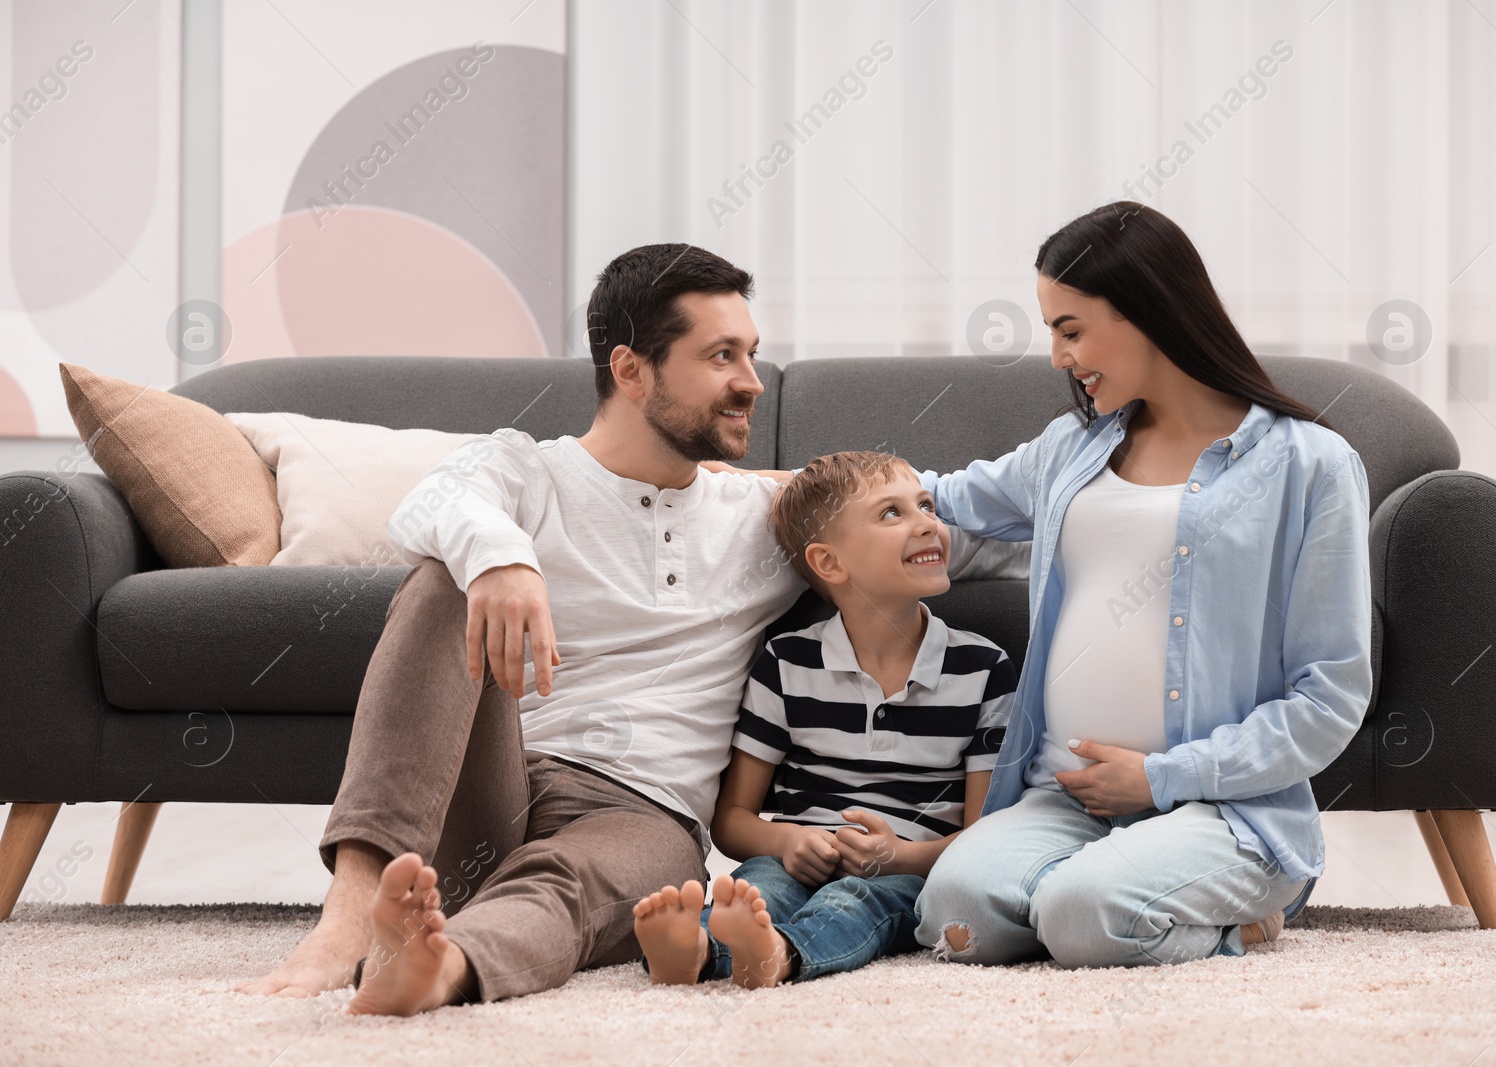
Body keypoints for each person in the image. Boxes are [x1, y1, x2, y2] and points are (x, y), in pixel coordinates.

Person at [234, 243, 1026, 1014]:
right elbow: (431, 507)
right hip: (500, 779)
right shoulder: (527, 471)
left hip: (640, 812)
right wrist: (503, 559)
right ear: (631, 369)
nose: (751, 382)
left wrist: (1102, 507)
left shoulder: (761, 515)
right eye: (722, 357)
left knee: (569, 886)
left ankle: (446, 964)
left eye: (751, 354)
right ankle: (348, 917)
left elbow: (943, 532)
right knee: (446, 574)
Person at [909, 201, 1374, 968]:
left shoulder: (1309, 465)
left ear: (1150, 310)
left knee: (1082, 914)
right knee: (957, 912)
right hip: (1065, 792)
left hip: (1222, 808)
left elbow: (1329, 697)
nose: (1059, 357)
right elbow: (935, 498)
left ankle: (1235, 911)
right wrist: (752, 488)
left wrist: (1160, 778)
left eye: (1070, 328)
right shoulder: (1071, 447)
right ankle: (1108, 889)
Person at [631, 451, 1017, 988]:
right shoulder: (786, 663)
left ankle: (779, 956)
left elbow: (985, 837)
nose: (929, 522)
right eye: (892, 513)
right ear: (830, 563)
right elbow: (733, 819)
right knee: (757, 886)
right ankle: (695, 951)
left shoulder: (984, 669)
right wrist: (786, 843)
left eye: (926, 506)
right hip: (798, 855)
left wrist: (902, 856)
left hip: (909, 873)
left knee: (853, 901)